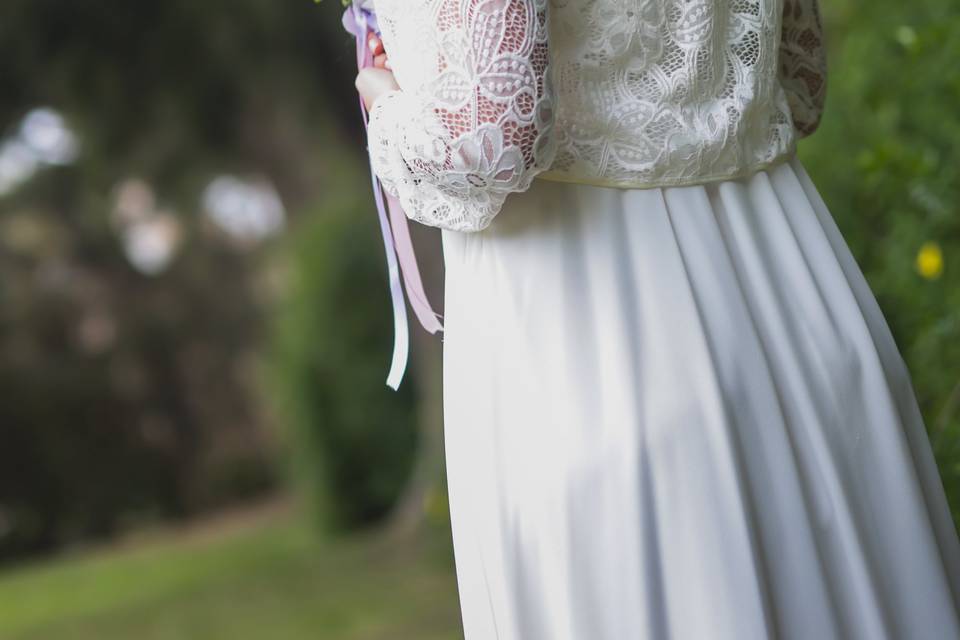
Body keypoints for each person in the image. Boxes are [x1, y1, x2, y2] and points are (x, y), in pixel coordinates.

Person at [355, 1, 960, 637]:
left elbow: (489, 139)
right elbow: (801, 81)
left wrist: (383, 102)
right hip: (794, 289)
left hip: (595, 340)